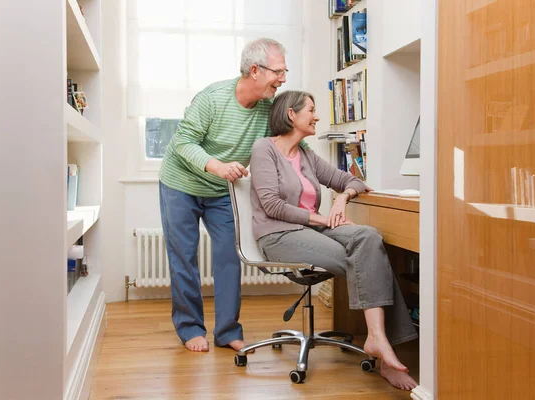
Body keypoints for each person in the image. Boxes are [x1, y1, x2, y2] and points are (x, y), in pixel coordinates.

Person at [249, 90, 418, 391]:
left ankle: (377, 339)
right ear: (291, 114)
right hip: (278, 234)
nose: (316, 116)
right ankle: (382, 353)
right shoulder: (264, 149)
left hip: (312, 229)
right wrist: (325, 219)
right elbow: (272, 205)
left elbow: (355, 181)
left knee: (368, 236)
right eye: (311, 110)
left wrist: (342, 198)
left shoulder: (307, 155)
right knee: (365, 262)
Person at [158, 38, 289, 353]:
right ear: (254, 70)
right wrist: (216, 166)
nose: (283, 79)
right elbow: (183, 142)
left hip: (221, 192)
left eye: (286, 72)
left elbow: (291, 142)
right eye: (279, 72)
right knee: (184, 257)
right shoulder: (212, 99)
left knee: (231, 257)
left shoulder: (269, 110)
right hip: (180, 184)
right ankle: (190, 328)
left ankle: (228, 331)